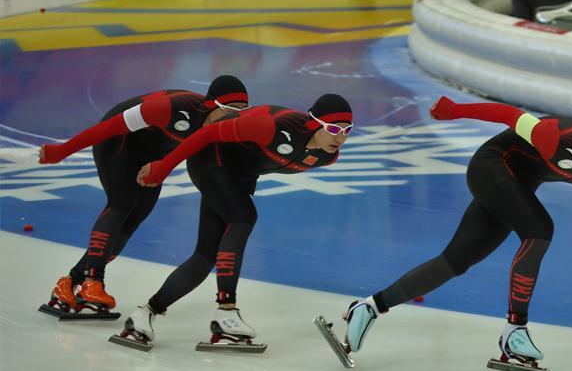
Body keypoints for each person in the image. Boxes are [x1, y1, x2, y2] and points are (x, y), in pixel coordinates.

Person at [333, 96, 572, 371]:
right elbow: (509, 113)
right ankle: (515, 331)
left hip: (517, 184)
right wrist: (454, 110)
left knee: (455, 262)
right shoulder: (557, 140)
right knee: (539, 230)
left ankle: (369, 307)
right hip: (492, 165)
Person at [110, 94, 354, 351]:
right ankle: (227, 311)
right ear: (315, 123)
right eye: (334, 129)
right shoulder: (273, 126)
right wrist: (165, 166)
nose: (340, 137)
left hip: (237, 175)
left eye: (347, 130)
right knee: (243, 216)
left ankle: (145, 314)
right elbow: (206, 134)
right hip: (210, 158)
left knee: (205, 257)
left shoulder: (327, 156)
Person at [37, 76, 250, 319]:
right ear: (212, 106)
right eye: (231, 111)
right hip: (118, 142)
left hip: (151, 157)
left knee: (136, 217)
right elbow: (107, 128)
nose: (235, 117)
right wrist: (62, 151)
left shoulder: (220, 127)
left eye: (242, 112)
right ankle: (93, 282)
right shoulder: (172, 109)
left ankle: (68, 282)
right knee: (123, 202)